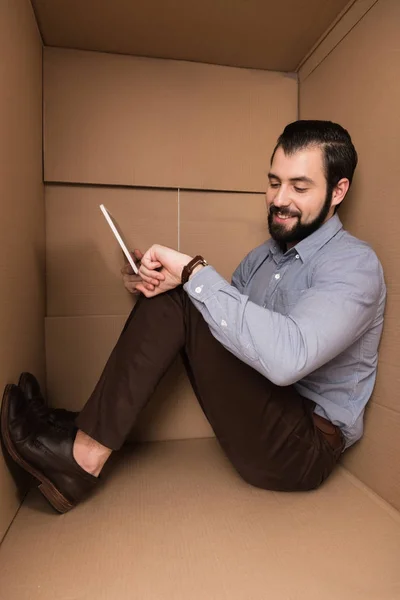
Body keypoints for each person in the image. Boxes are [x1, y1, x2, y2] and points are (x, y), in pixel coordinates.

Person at [1, 120, 386, 514]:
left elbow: (289, 360)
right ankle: (81, 429)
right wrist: (159, 282)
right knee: (184, 294)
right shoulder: (261, 258)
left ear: (338, 191)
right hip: (260, 415)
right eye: (274, 182)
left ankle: (80, 461)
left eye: (299, 187)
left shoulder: (354, 265)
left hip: (304, 450)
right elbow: (221, 334)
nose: (279, 198)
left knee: (191, 291)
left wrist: (193, 273)